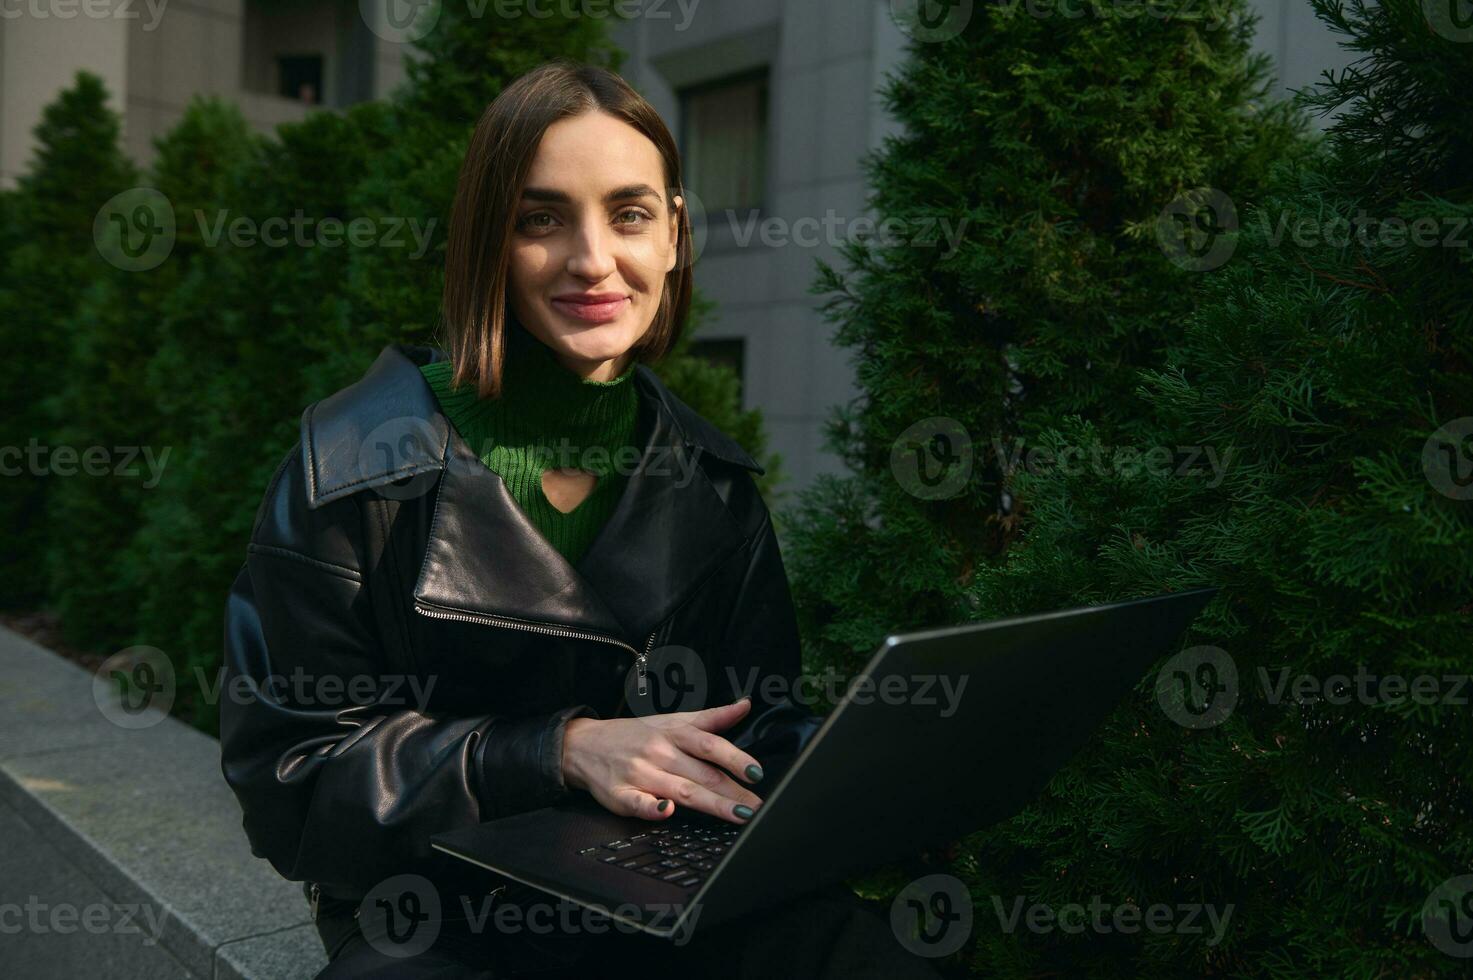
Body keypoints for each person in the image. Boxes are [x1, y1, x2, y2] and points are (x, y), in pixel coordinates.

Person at [219, 59, 945, 979]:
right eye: (541, 219)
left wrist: (875, 779)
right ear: (488, 242)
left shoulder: (713, 484)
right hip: (434, 909)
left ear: (675, 237)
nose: (593, 260)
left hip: (663, 886)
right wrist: (555, 751)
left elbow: (755, 730)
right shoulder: (356, 470)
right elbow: (292, 781)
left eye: (630, 215)